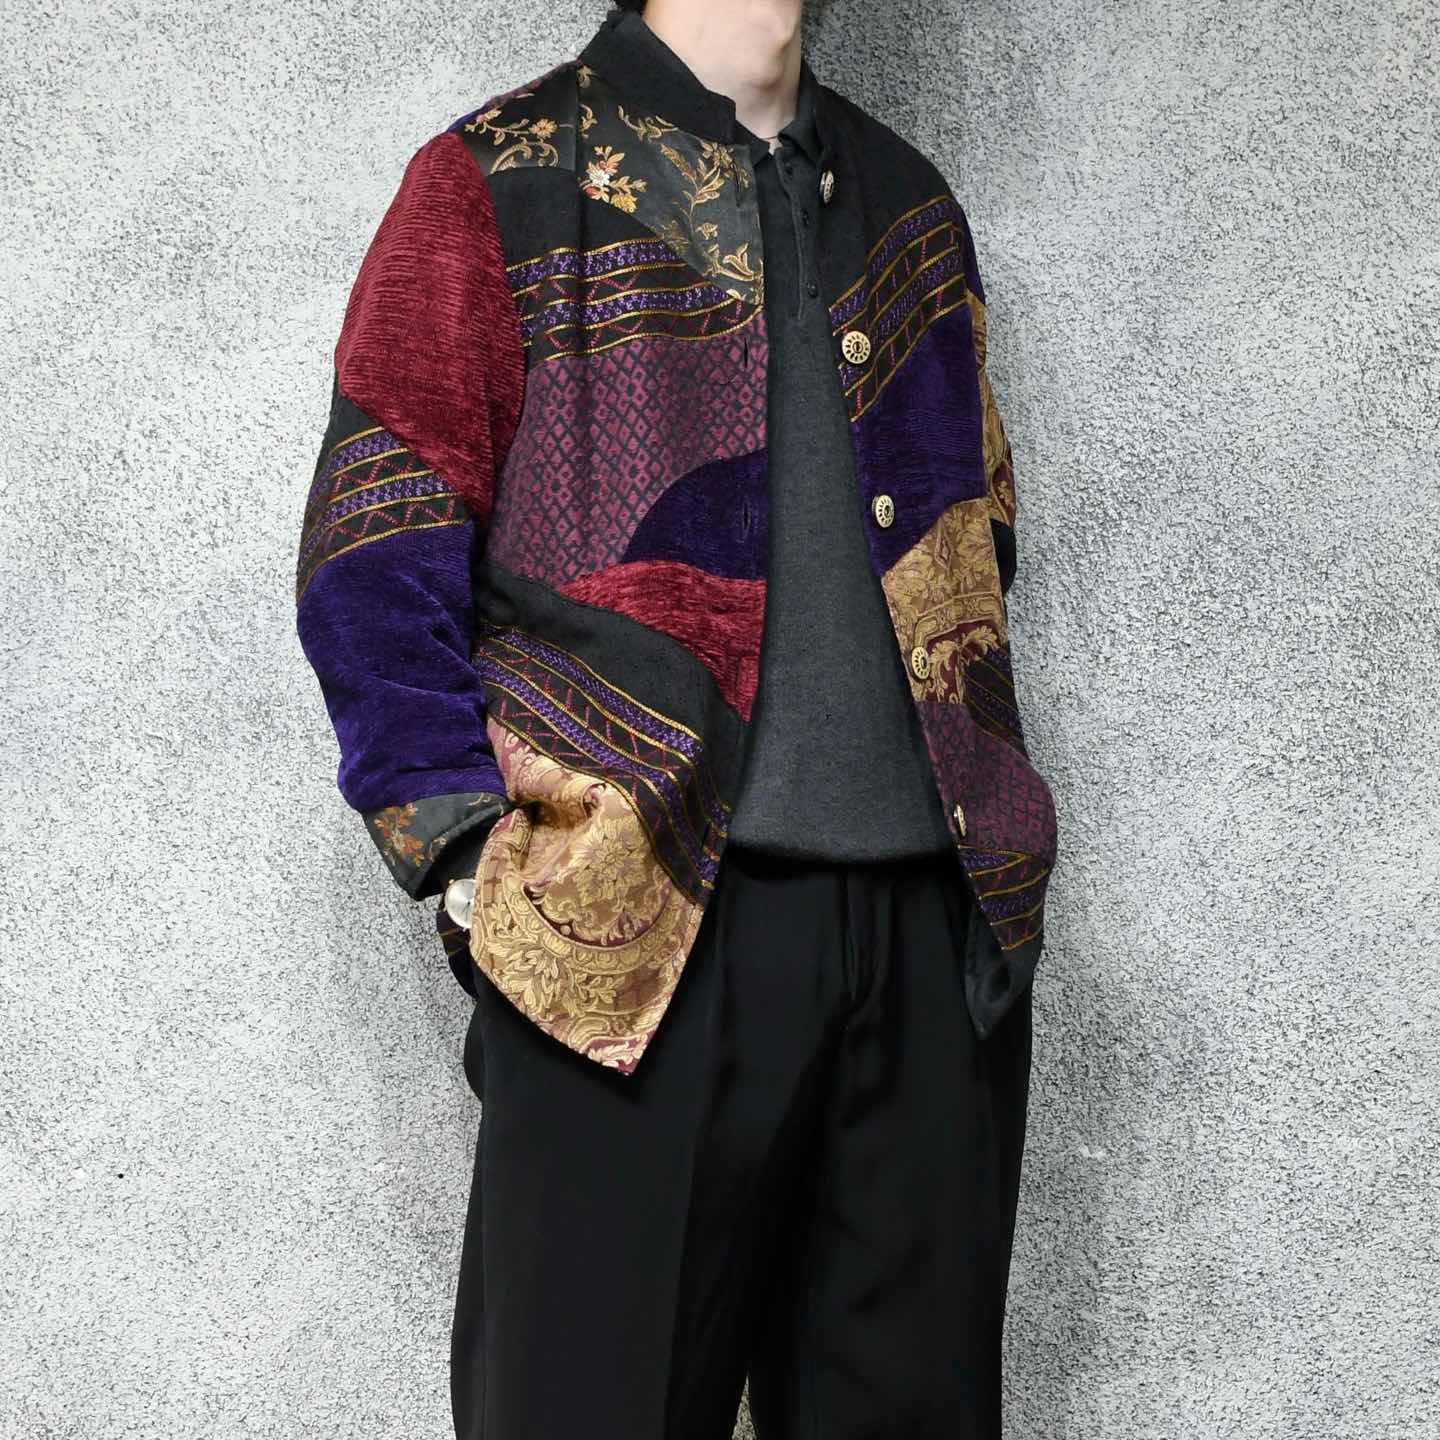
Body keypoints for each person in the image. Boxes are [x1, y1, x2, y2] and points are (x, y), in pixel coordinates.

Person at [295, 0, 1058, 1434]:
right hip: (640, 937)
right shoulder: (502, 177)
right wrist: (471, 865)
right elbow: (374, 541)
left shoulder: (909, 205)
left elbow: (978, 531)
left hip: (924, 943)